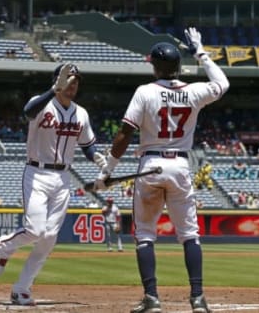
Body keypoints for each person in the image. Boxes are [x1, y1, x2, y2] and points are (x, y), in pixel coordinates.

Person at [93, 27, 229, 313]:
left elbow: (125, 133)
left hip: (150, 166)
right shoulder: (194, 91)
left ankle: (152, 298)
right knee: (189, 234)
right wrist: (200, 50)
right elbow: (222, 83)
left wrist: (108, 171)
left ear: (156, 66)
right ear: (178, 66)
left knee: (144, 233)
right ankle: (198, 298)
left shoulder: (145, 92)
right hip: (180, 165)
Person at [0, 63, 107, 306]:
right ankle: (5, 246)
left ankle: (21, 289)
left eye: (76, 81)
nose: (73, 85)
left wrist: (97, 158)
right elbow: (28, 111)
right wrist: (53, 90)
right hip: (36, 172)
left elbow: (87, 145)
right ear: (58, 80)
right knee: (34, 230)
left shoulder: (81, 113)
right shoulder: (42, 103)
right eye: (69, 79)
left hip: (63, 178)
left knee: (49, 237)